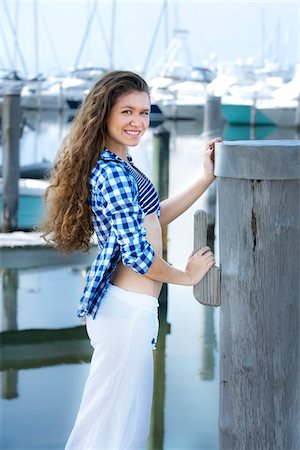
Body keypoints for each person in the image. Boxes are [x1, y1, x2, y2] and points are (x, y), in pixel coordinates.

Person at [40, 70, 222, 450]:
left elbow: (156, 215)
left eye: (144, 112)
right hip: (126, 313)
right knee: (114, 430)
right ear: (104, 114)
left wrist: (206, 178)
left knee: (111, 424)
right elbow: (140, 256)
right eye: (127, 112)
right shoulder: (113, 173)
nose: (138, 122)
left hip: (128, 310)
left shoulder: (121, 165)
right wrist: (187, 276)